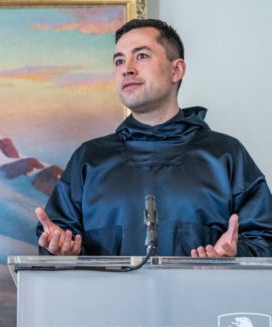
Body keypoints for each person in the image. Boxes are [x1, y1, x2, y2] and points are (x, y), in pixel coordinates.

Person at [36, 19, 272, 258]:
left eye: (141, 56)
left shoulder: (225, 154)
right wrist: (60, 249)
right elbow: (56, 239)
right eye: (119, 61)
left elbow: (264, 240)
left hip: (202, 296)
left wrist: (235, 254)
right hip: (107, 297)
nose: (126, 68)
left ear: (176, 70)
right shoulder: (89, 159)